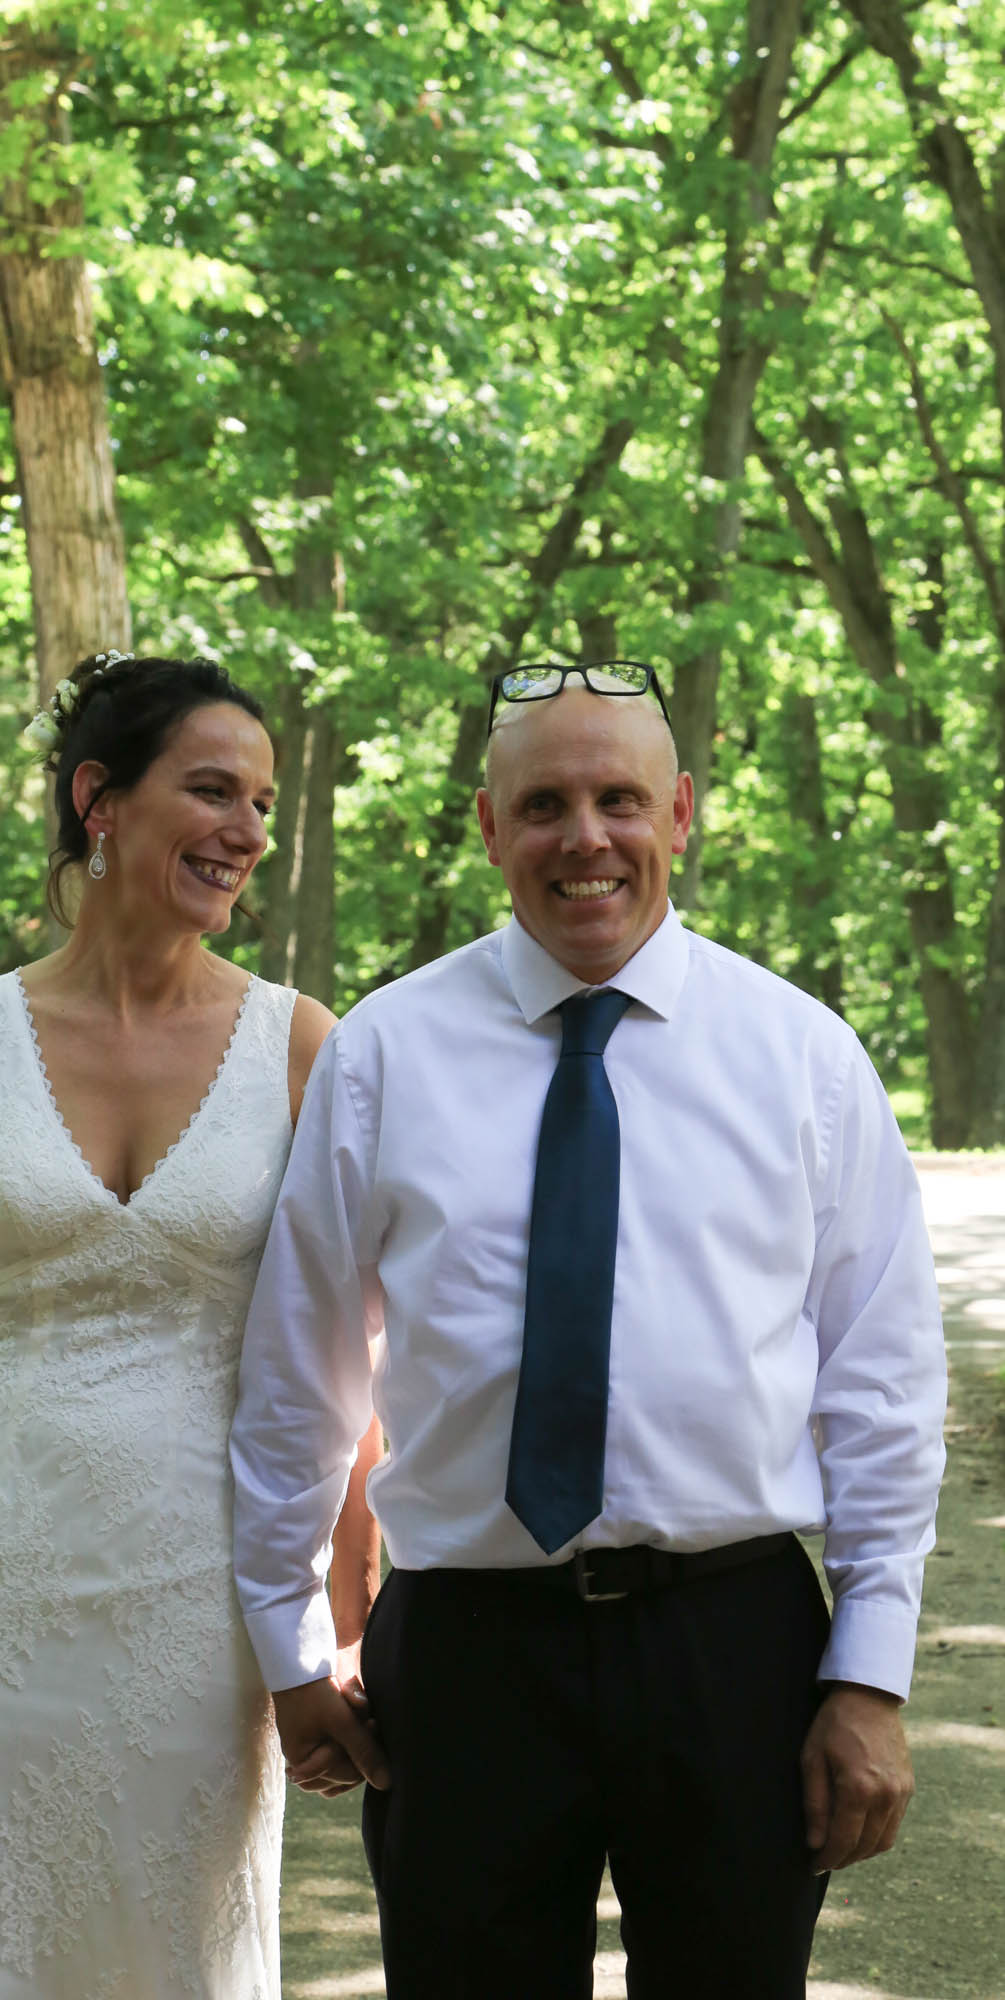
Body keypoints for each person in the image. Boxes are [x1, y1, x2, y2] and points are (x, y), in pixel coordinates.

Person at [230, 660, 947, 1998]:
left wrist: (869, 1676)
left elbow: (882, 1390)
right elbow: (299, 1375)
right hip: (466, 1656)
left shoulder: (802, 1059)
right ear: (488, 827)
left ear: (679, 812)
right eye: (543, 804)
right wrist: (288, 1647)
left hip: (732, 1646)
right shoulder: (383, 1054)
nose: (585, 838)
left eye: (618, 799)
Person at [0, 652, 382, 1999]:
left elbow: (343, 1358)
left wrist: (346, 1621)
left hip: (195, 1603)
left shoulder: (303, 1047)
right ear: (98, 798)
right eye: (212, 790)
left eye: (263, 803)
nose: (247, 831)